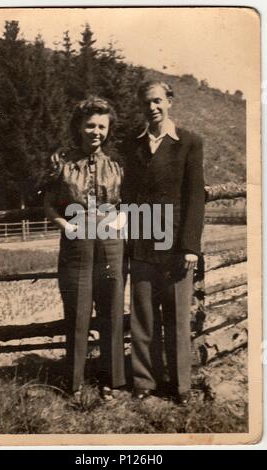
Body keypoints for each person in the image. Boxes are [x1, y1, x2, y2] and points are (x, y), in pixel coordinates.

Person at [124, 80, 205, 405]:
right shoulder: (133, 145)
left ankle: (180, 386)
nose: (152, 108)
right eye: (146, 103)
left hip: (175, 247)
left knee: (176, 317)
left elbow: (195, 196)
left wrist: (189, 247)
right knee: (143, 317)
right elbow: (128, 195)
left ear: (170, 101)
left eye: (158, 101)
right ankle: (144, 382)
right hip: (142, 243)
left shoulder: (189, 142)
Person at [44, 97, 126, 400]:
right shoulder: (62, 163)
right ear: (78, 126)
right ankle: (74, 384)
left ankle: (112, 382)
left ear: (108, 129)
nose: (96, 131)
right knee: (77, 312)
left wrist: (122, 219)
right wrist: (65, 225)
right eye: (90, 125)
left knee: (112, 311)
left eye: (102, 126)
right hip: (76, 243)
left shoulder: (117, 163)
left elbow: (128, 200)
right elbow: (50, 203)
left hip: (111, 243)